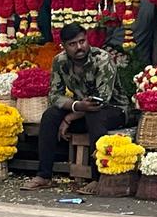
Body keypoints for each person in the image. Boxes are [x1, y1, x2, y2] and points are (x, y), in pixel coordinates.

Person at [22, 23, 128, 195]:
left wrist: (70, 117)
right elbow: (54, 96)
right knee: (50, 115)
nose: (79, 47)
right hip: (81, 110)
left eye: (82, 41)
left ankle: (97, 178)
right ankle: (44, 175)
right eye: (73, 44)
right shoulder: (59, 61)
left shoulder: (102, 59)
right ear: (63, 46)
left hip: (113, 110)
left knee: (95, 115)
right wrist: (75, 106)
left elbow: (101, 101)